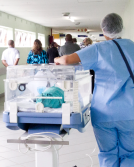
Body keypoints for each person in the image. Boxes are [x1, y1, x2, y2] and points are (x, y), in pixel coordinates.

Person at [54, 13, 134, 167]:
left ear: (104, 31)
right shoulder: (132, 46)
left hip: (104, 112)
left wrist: (57, 59)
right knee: (130, 154)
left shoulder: (99, 48)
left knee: (108, 153)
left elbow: (66, 60)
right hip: (130, 112)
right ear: (121, 28)